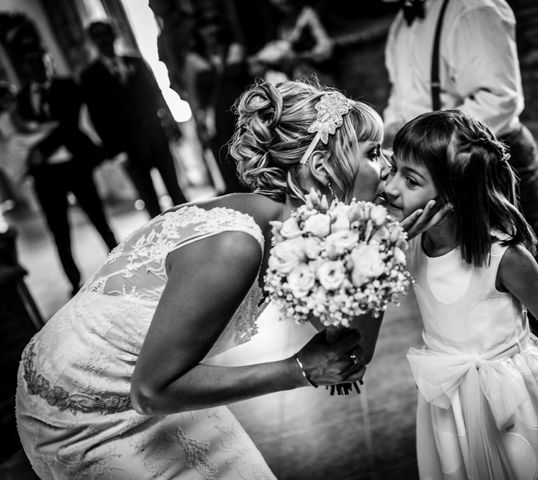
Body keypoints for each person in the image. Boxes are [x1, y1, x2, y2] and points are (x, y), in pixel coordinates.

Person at [16, 80, 392, 478]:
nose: (387, 167)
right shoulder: (234, 246)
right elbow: (152, 390)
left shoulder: (301, 233)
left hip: (154, 383)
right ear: (320, 168)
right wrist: (298, 369)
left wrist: (374, 248)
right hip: (82, 410)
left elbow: (352, 348)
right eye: (373, 153)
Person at [384, 110, 538, 479]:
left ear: (453, 195)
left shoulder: (504, 256)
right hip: (452, 403)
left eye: (411, 179)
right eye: (393, 169)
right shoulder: (408, 242)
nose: (390, 186)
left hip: (517, 397)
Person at [383, 0, 538, 397]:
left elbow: (499, 98)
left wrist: (431, 147)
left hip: (479, 162)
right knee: (464, 276)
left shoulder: (473, 8)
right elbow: (401, 97)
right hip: (425, 170)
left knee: (524, 267)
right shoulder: (401, 25)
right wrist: (395, 141)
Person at [15, 51, 118, 295]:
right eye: (33, 66)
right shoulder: (21, 98)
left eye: (43, 64)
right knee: (58, 230)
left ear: (50, 63)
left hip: (75, 164)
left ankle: (121, 262)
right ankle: (74, 282)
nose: (39, 70)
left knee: (98, 218)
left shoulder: (68, 86)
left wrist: (42, 148)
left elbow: (68, 123)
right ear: (26, 70)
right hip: (45, 175)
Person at [81, 20, 187, 218]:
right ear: (92, 42)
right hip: (128, 148)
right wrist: (115, 151)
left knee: (176, 191)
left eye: (106, 34)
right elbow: (98, 118)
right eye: (97, 36)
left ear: (114, 35)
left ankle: (191, 229)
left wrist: (171, 123)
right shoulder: (89, 77)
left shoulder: (136, 62)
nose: (103, 39)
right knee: (149, 200)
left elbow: (157, 95)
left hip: (156, 137)